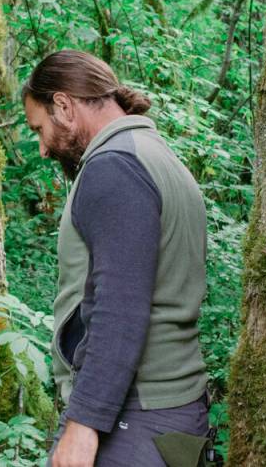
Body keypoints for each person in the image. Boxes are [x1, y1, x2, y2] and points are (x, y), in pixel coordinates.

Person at [22, 50, 211, 467]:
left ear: (64, 106)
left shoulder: (114, 168)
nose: (42, 149)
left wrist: (83, 424)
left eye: (40, 129)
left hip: (133, 420)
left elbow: (120, 308)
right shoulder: (152, 154)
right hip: (164, 414)